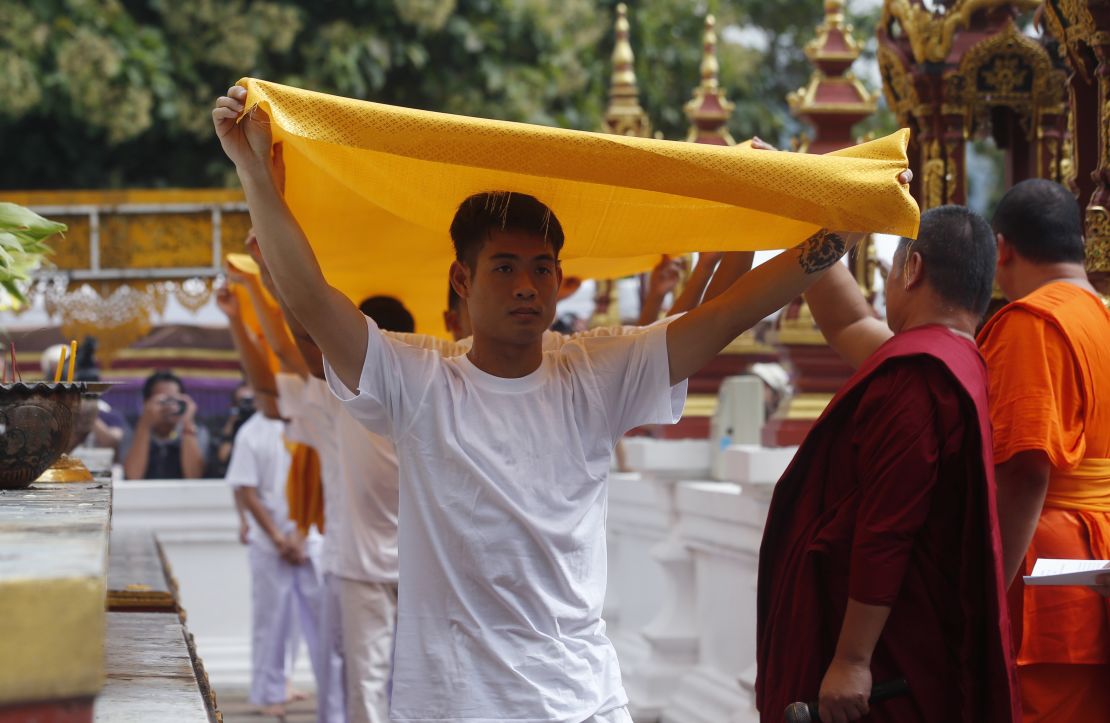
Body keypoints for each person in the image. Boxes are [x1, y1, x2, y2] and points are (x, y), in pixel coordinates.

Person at [214, 83, 901, 721]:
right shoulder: (416, 379)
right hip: (458, 703)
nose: (526, 285)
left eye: (541, 268)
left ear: (559, 281)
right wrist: (252, 171)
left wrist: (844, 222)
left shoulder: (594, 373)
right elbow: (308, 298)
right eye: (505, 267)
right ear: (463, 279)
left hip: (584, 697)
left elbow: (726, 313)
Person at [757, 205, 1019, 722]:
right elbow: (847, 319)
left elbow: (887, 529)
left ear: (913, 269)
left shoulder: (918, 378)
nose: (883, 289)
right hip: (914, 632)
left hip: (886, 653)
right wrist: (796, 208)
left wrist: (852, 660)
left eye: (889, 272)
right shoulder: (957, 360)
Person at [978, 179, 1110, 722]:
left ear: (1002, 249)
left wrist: (985, 590)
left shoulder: (1032, 323)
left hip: (1051, 569)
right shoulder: (1102, 317)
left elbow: (1028, 472)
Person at [217, 285, 327, 719]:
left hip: (309, 537)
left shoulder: (310, 422)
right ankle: (267, 693)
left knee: (315, 625)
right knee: (272, 620)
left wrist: (299, 533)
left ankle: (291, 686)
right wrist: (276, 534)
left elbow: (323, 488)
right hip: (274, 541)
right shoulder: (254, 431)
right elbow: (244, 487)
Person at [122, 370, 207, 480]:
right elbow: (133, 476)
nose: (169, 407)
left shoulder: (196, 430)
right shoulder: (132, 429)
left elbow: (194, 476)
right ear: (146, 402)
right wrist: (145, 424)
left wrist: (187, 423)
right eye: (162, 400)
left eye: (173, 399)